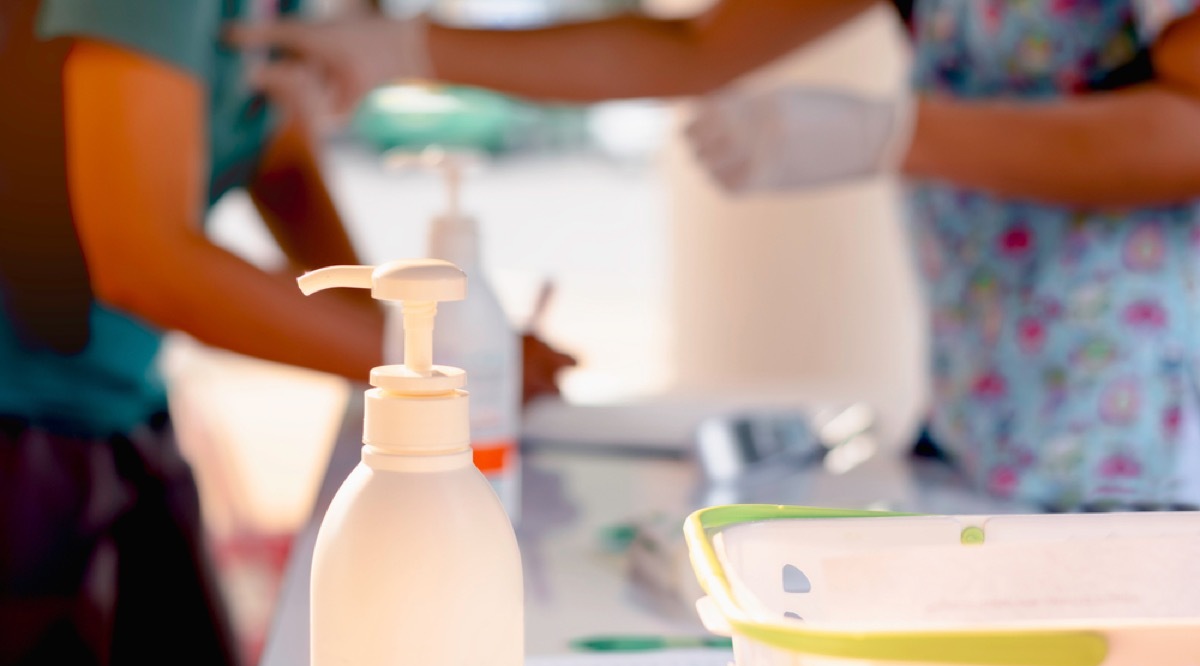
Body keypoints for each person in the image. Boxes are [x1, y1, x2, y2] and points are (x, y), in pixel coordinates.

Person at [235, 0, 1200, 510]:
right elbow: (695, 47)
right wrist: (408, 48)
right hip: (993, 421)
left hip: (1152, 452)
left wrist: (896, 136)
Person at [0, 1, 386, 666]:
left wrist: (388, 321)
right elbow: (147, 261)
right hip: (23, 441)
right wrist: (430, 358)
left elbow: (270, 155)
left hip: (115, 417)